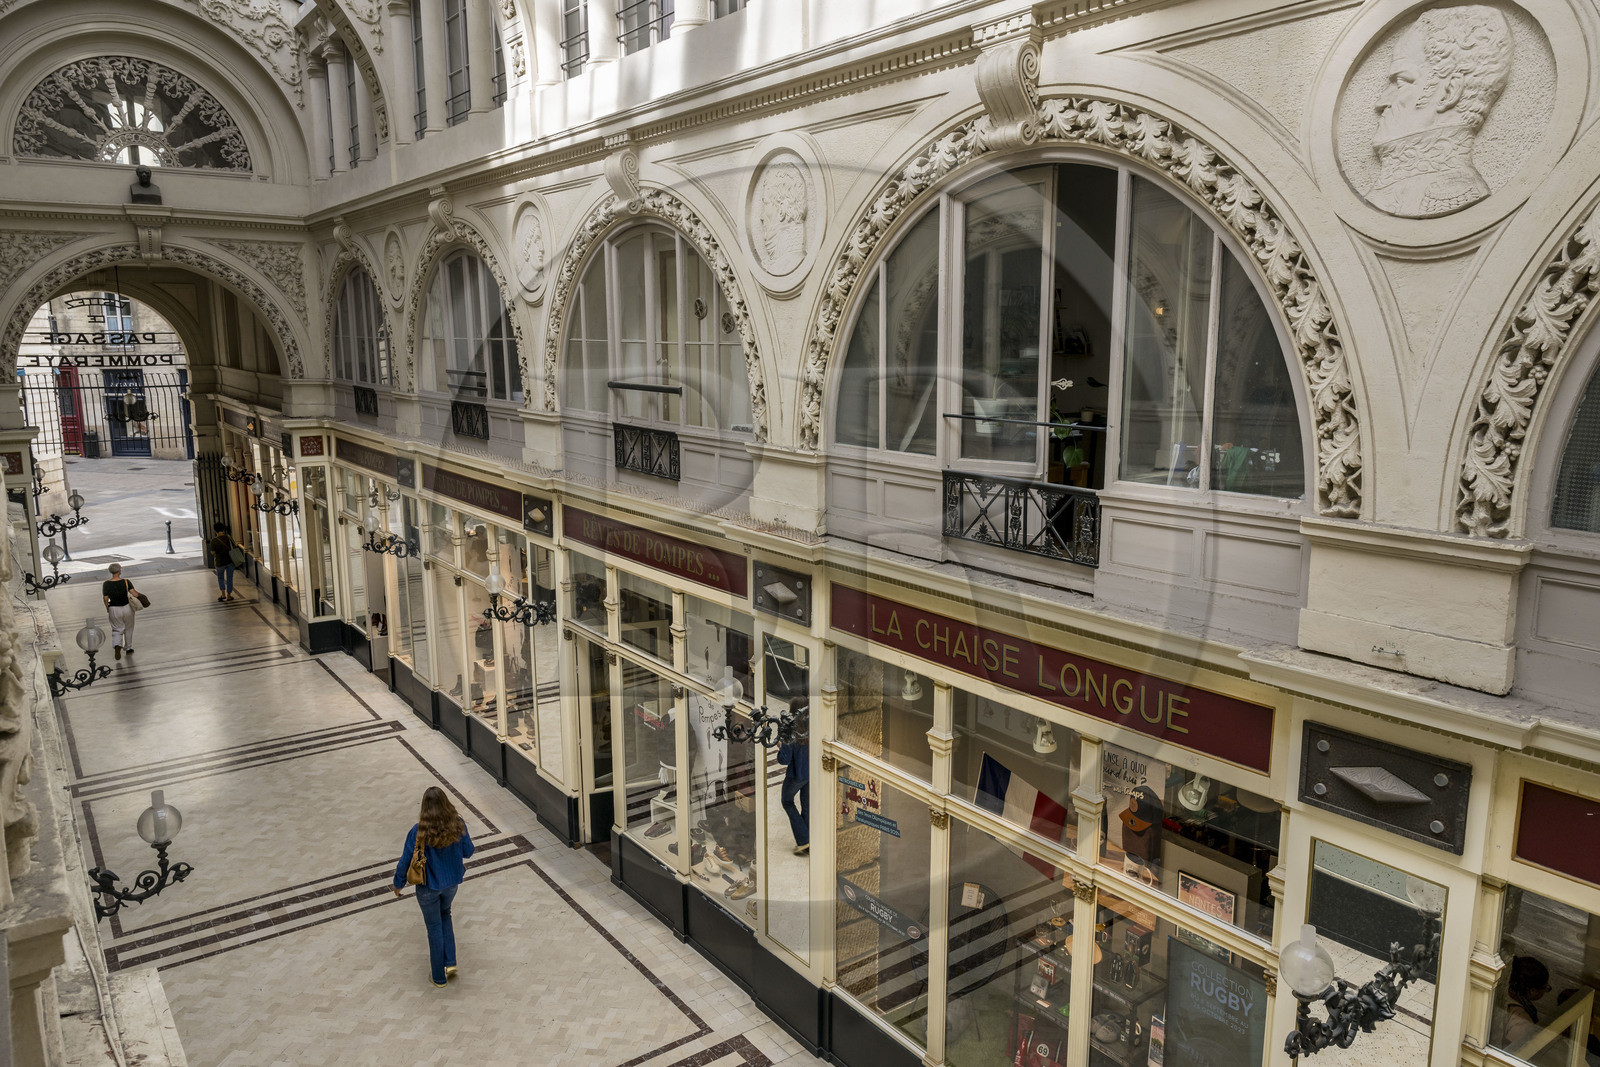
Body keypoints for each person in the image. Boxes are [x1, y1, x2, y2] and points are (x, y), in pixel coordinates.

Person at [1368, 5, 1514, 218]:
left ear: (1450, 92)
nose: (1381, 102)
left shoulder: (1458, 192)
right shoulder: (1392, 194)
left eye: (1401, 82)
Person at [391, 786, 475, 987]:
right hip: (452, 884)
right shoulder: (458, 824)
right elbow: (469, 851)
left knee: (434, 927)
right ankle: (450, 962)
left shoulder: (418, 831)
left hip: (428, 887)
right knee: (445, 914)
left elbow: (405, 861)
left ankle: (438, 976)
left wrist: (397, 884)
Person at [1503, 955, 1552, 1049]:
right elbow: (1515, 1051)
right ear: (1532, 991)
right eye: (1545, 988)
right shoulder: (1523, 1021)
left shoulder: (1504, 993)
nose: (1546, 990)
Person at [101, 563, 139, 661]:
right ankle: (128, 648)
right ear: (119, 571)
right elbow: (134, 593)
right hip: (127, 608)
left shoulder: (106, 584)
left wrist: (107, 608)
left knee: (117, 629)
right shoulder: (126, 582)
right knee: (129, 628)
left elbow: (105, 598)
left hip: (114, 608)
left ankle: (117, 645)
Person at [208, 522, 237, 602]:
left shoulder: (214, 541)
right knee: (229, 578)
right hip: (229, 561)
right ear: (223, 529)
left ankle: (223, 594)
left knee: (220, 578)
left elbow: (212, 552)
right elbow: (234, 546)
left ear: (215, 531)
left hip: (219, 562)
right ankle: (229, 595)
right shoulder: (228, 537)